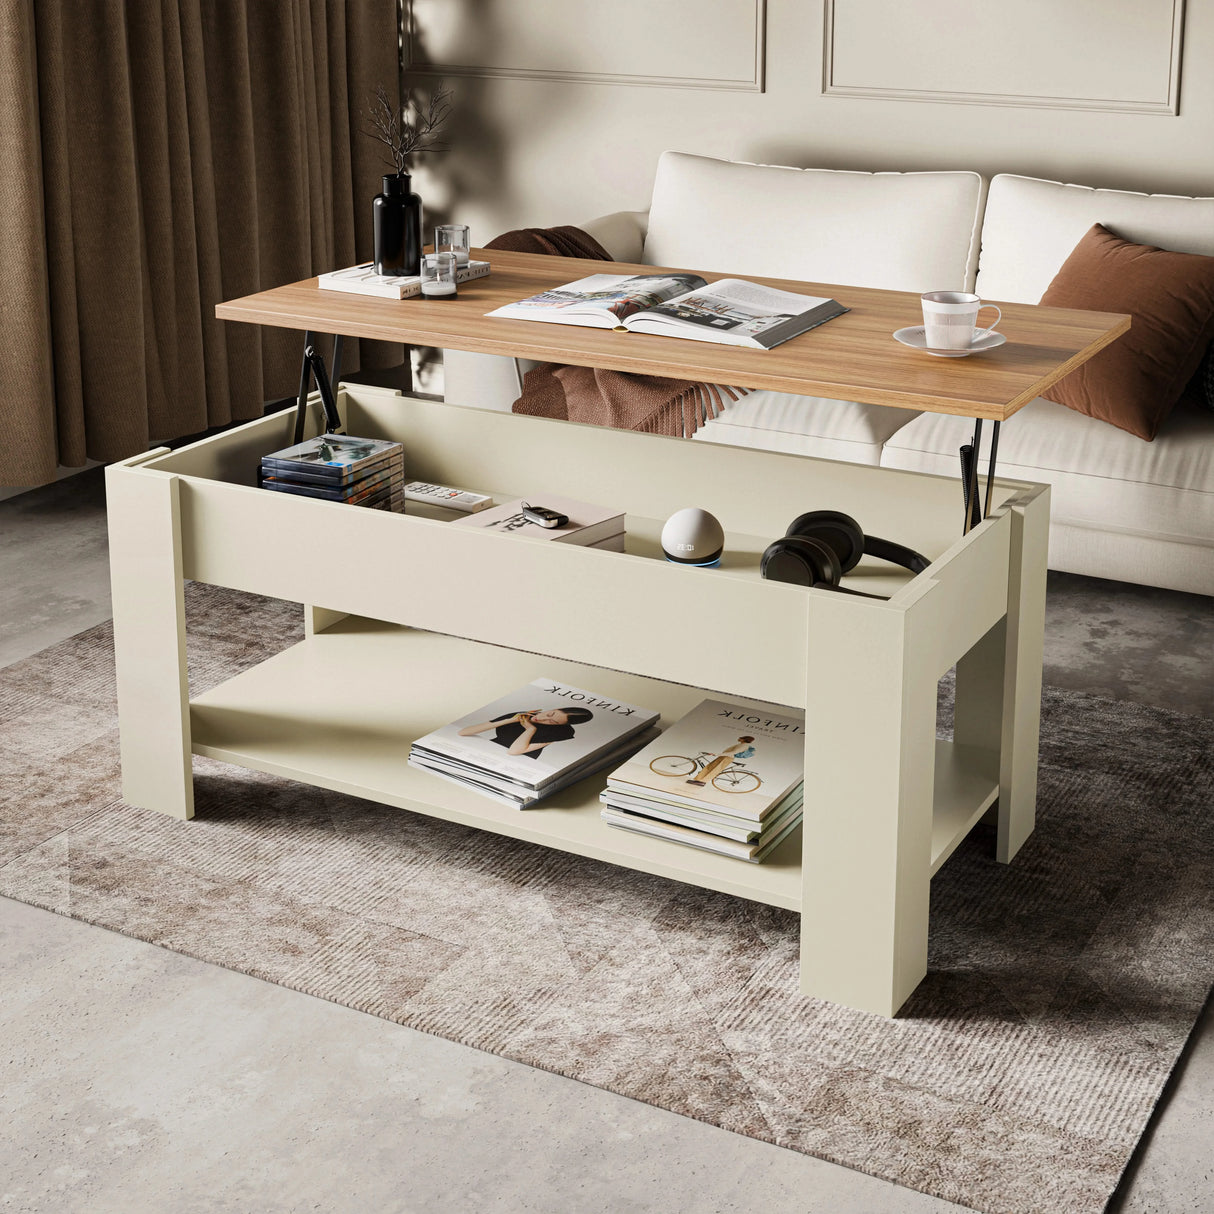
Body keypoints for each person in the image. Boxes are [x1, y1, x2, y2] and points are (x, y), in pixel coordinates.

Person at [458, 706, 593, 759]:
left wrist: (531, 729)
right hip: (491, 750)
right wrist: (509, 720)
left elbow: (514, 751)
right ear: (555, 708)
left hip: (520, 761)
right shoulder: (523, 715)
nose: (542, 718)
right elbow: (463, 732)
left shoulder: (563, 731)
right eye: (549, 713)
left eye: (552, 722)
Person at [687, 736, 755, 786]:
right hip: (724, 757)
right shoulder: (742, 745)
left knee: (714, 770)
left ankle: (702, 782)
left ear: (744, 739)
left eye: (741, 737)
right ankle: (699, 780)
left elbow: (732, 752)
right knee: (710, 768)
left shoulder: (744, 745)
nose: (739, 738)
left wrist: (716, 754)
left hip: (726, 757)